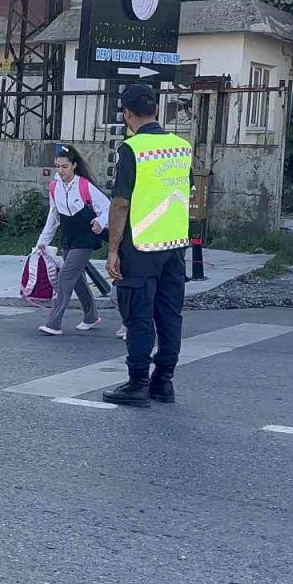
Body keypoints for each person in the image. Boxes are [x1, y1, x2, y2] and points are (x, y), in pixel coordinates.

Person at [102, 83, 193, 407]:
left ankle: (137, 382)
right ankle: (163, 382)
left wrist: (113, 250)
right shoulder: (181, 147)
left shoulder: (132, 148)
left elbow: (121, 203)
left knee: (138, 317)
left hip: (140, 248)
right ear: (155, 109)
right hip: (174, 247)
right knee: (170, 316)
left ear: (127, 114)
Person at [34, 145, 120, 337]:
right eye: (58, 166)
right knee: (78, 278)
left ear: (73, 165)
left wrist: (100, 221)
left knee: (66, 276)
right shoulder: (54, 186)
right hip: (68, 235)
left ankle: (54, 323)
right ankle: (91, 316)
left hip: (85, 236)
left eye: (64, 166)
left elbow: (107, 208)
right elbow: (53, 216)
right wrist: (42, 242)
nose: (60, 170)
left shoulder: (84, 185)